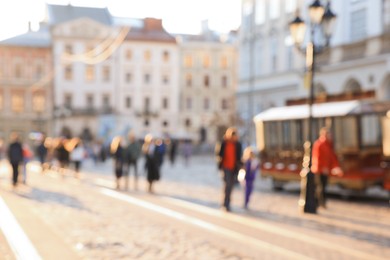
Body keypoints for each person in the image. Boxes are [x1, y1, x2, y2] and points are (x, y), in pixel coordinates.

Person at [311, 127, 343, 208]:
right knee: (320, 186)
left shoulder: (328, 144)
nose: (330, 136)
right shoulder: (319, 144)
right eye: (328, 134)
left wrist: (335, 167)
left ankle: (321, 202)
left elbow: (331, 157)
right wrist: (322, 168)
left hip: (325, 169)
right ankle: (319, 202)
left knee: (323, 186)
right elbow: (317, 157)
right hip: (319, 169)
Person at [216, 127, 243, 212]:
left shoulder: (238, 144)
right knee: (227, 185)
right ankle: (225, 204)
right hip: (226, 167)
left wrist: (241, 165)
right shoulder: (224, 143)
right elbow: (219, 154)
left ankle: (227, 203)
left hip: (234, 168)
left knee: (231, 186)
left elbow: (239, 156)